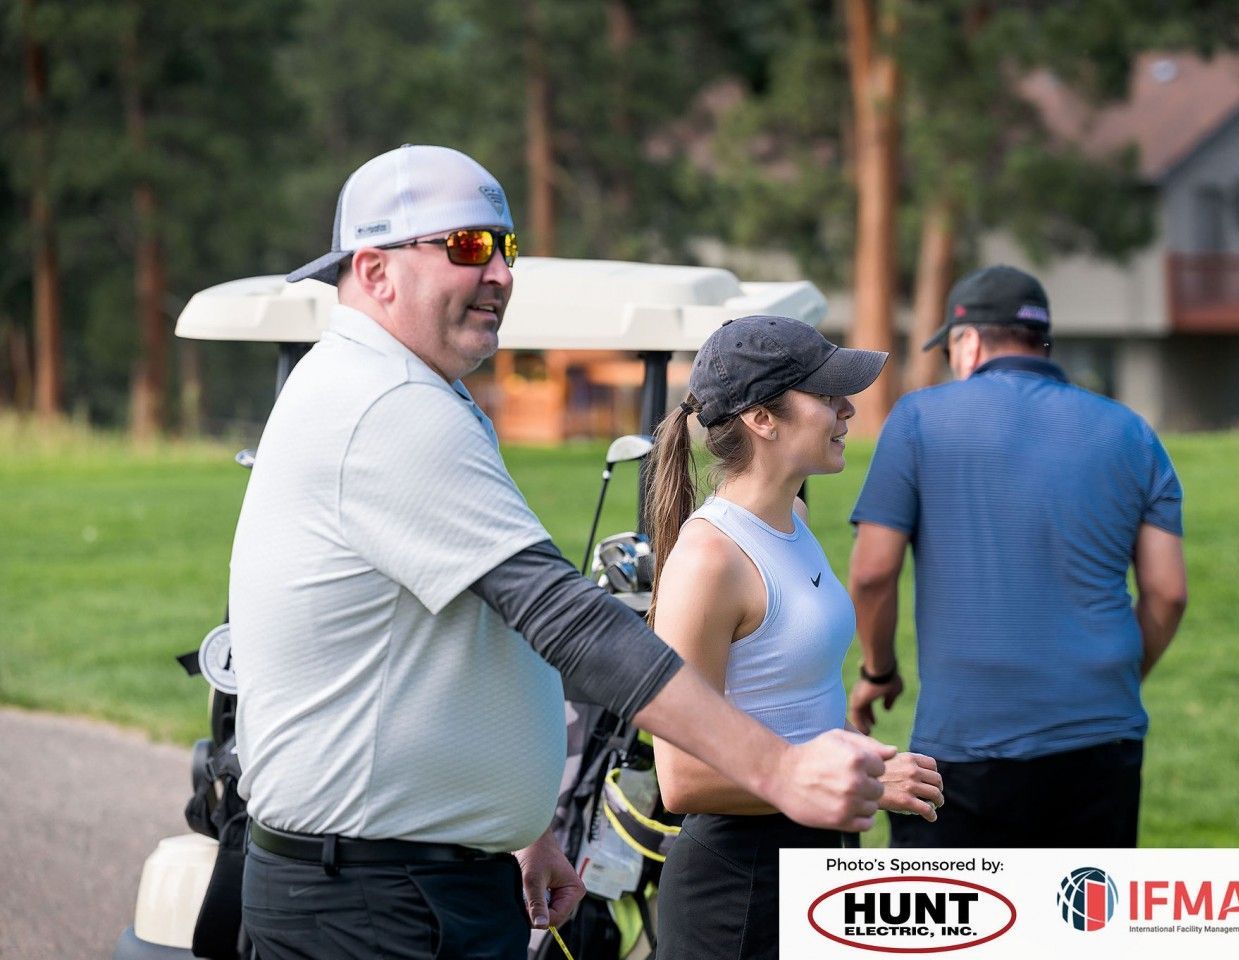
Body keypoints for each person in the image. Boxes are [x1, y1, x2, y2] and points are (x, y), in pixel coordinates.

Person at [229, 145, 896, 960]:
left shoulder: (415, 394)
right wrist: (781, 773)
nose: (501, 272)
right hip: (376, 901)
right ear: (373, 271)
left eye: (507, 248)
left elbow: (480, 637)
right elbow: (563, 617)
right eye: (468, 247)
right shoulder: (386, 405)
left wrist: (513, 824)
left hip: (414, 878)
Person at [847, 265, 1188, 849]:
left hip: (966, 747)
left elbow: (873, 572)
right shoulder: (1131, 432)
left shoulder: (918, 419)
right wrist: (1116, 681)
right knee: (1079, 927)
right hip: (1102, 741)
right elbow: (1168, 592)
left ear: (969, 340)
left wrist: (879, 670)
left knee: (954, 938)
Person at [644, 316, 944, 960]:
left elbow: (790, 694)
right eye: (827, 394)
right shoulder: (709, 560)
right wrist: (861, 780)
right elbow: (682, 778)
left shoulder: (793, 517)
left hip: (817, 856)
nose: (848, 409)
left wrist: (864, 757)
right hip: (739, 891)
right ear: (762, 418)